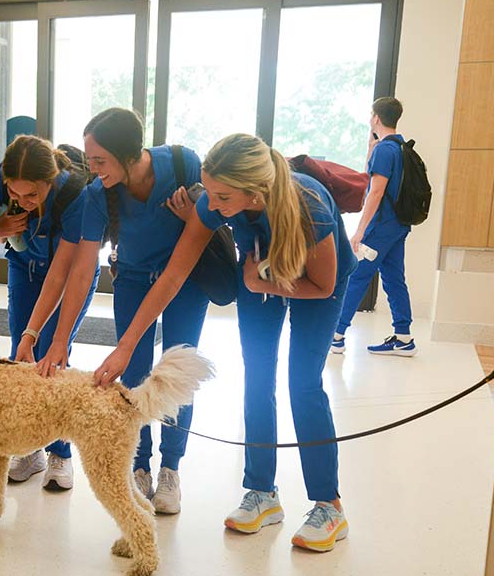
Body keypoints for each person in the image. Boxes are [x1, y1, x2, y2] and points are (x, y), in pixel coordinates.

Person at [94, 133, 357, 552]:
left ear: (255, 193)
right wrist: (126, 346)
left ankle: (329, 505)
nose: (210, 206)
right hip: (261, 275)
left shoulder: (310, 207)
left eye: (221, 197)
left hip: (314, 285)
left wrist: (256, 280)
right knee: (256, 379)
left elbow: (322, 286)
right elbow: (174, 275)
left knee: (303, 384)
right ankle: (262, 493)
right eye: (208, 192)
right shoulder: (218, 201)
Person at [40, 108, 207, 515]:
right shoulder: (99, 193)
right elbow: (82, 271)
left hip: (184, 280)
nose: (93, 170)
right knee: (132, 373)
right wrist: (60, 340)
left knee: (175, 370)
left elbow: (186, 256)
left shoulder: (184, 165)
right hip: (132, 277)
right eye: (89, 161)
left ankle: (170, 468)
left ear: (129, 154)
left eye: (100, 160)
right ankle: (140, 466)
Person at [0, 135, 99, 490]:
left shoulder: (76, 195)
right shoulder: (0, 179)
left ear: (49, 182)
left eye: (32, 196)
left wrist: (40, 333)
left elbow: (62, 273)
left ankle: (60, 453)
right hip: (23, 266)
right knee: (20, 358)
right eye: (14, 195)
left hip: (67, 273)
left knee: (53, 357)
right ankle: (29, 447)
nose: (22, 203)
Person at [332, 97, 416, 357]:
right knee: (393, 278)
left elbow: (376, 191)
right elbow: (372, 181)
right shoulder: (401, 147)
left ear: (376, 118)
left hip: (381, 226)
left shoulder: (385, 150)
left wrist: (359, 230)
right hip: (398, 225)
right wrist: (371, 148)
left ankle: (335, 335)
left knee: (357, 275)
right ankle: (403, 338)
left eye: (371, 115)